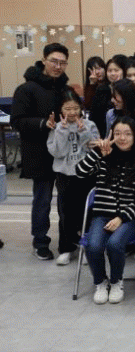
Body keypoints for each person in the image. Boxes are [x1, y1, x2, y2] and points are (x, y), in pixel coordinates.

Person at [76, 117, 135, 304]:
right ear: (111, 136)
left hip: (129, 218)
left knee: (115, 244)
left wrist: (121, 218)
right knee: (93, 246)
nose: (122, 138)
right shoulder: (104, 158)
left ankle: (116, 281)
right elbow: (80, 172)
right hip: (102, 215)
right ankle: (100, 282)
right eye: (117, 133)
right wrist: (97, 153)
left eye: (127, 134)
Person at [11, 43, 72, 260]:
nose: (58, 66)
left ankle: (68, 240)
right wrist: (42, 123)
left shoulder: (66, 89)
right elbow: (17, 120)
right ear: (44, 60)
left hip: (65, 154)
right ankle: (40, 241)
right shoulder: (27, 89)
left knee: (66, 200)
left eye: (63, 62)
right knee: (42, 199)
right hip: (39, 153)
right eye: (54, 61)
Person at [46, 90, 100, 265]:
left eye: (75, 108)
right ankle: (66, 248)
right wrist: (61, 131)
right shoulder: (56, 127)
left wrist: (83, 132)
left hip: (86, 175)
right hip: (65, 175)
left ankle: (86, 248)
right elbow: (57, 152)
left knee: (87, 213)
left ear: (81, 108)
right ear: (61, 110)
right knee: (65, 214)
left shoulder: (90, 124)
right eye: (67, 108)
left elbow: (94, 149)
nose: (72, 112)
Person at [105, 79, 135, 157]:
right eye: (111, 96)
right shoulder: (111, 114)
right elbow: (108, 140)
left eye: (115, 96)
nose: (112, 100)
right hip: (113, 157)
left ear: (126, 96)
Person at [91, 55, 127, 137]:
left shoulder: (128, 89)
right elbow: (94, 115)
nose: (113, 73)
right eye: (109, 71)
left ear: (124, 71)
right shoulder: (101, 89)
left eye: (116, 70)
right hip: (103, 133)